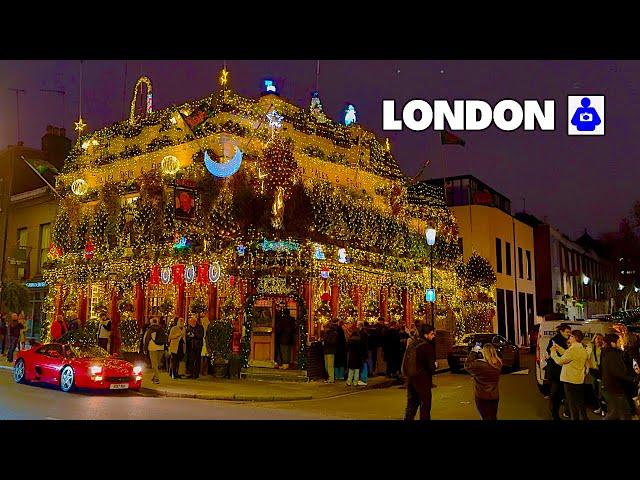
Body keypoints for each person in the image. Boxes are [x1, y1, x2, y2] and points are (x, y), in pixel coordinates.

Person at [550, 329, 589, 420]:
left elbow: (560, 361)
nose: (569, 337)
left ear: (575, 338)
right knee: (580, 403)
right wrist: (558, 347)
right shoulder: (582, 349)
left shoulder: (573, 350)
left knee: (572, 406)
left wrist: (553, 352)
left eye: (571, 336)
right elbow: (567, 354)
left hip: (570, 380)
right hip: (579, 380)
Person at [600, 333, 639, 420]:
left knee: (617, 412)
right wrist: (633, 379)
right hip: (615, 387)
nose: (620, 343)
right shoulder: (614, 355)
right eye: (618, 341)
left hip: (610, 386)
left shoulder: (607, 353)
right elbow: (618, 372)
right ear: (613, 343)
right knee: (619, 413)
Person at [403, 324, 437, 420]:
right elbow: (431, 368)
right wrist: (435, 366)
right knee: (425, 406)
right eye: (431, 334)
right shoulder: (427, 347)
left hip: (412, 377)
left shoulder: (413, 344)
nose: (433, 336)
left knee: (411, 404)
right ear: (426, 335)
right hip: (423, 380)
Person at [465, 343, 502, 420]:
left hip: (482, 396)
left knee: (485, 417)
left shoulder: (479, 365)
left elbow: (467, 365)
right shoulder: (498, 363)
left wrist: (474, 351)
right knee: (493, 417)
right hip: (494, 396)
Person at [545, 323, 571, 420]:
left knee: (559, 394)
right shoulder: (555, 341)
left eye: (570, 332)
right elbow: (551, 352)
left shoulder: (564, 340)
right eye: (567, 332)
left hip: (560, 371)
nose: (569, 334)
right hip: (556, 371)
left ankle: (557, 412)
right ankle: (554, 414)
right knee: (555, 394)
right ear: (561, 331)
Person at [587, 333, 605, 415]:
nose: (599, 340)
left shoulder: (604, 348)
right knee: (596, 390)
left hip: (602, 371)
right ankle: (600, 407)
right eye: (597, 338)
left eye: (600, 338)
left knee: (602, 390)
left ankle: (603, 408)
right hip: (593, 371)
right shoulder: (591, 347)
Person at [143, 316, 164, 384]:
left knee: (154, 364)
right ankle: (154, 377)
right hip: (161, 347)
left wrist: (145, 348)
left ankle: (157, 378)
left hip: (153, 348)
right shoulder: (161, 329)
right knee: (157, 364)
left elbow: (147, 339)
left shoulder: (150, 329)